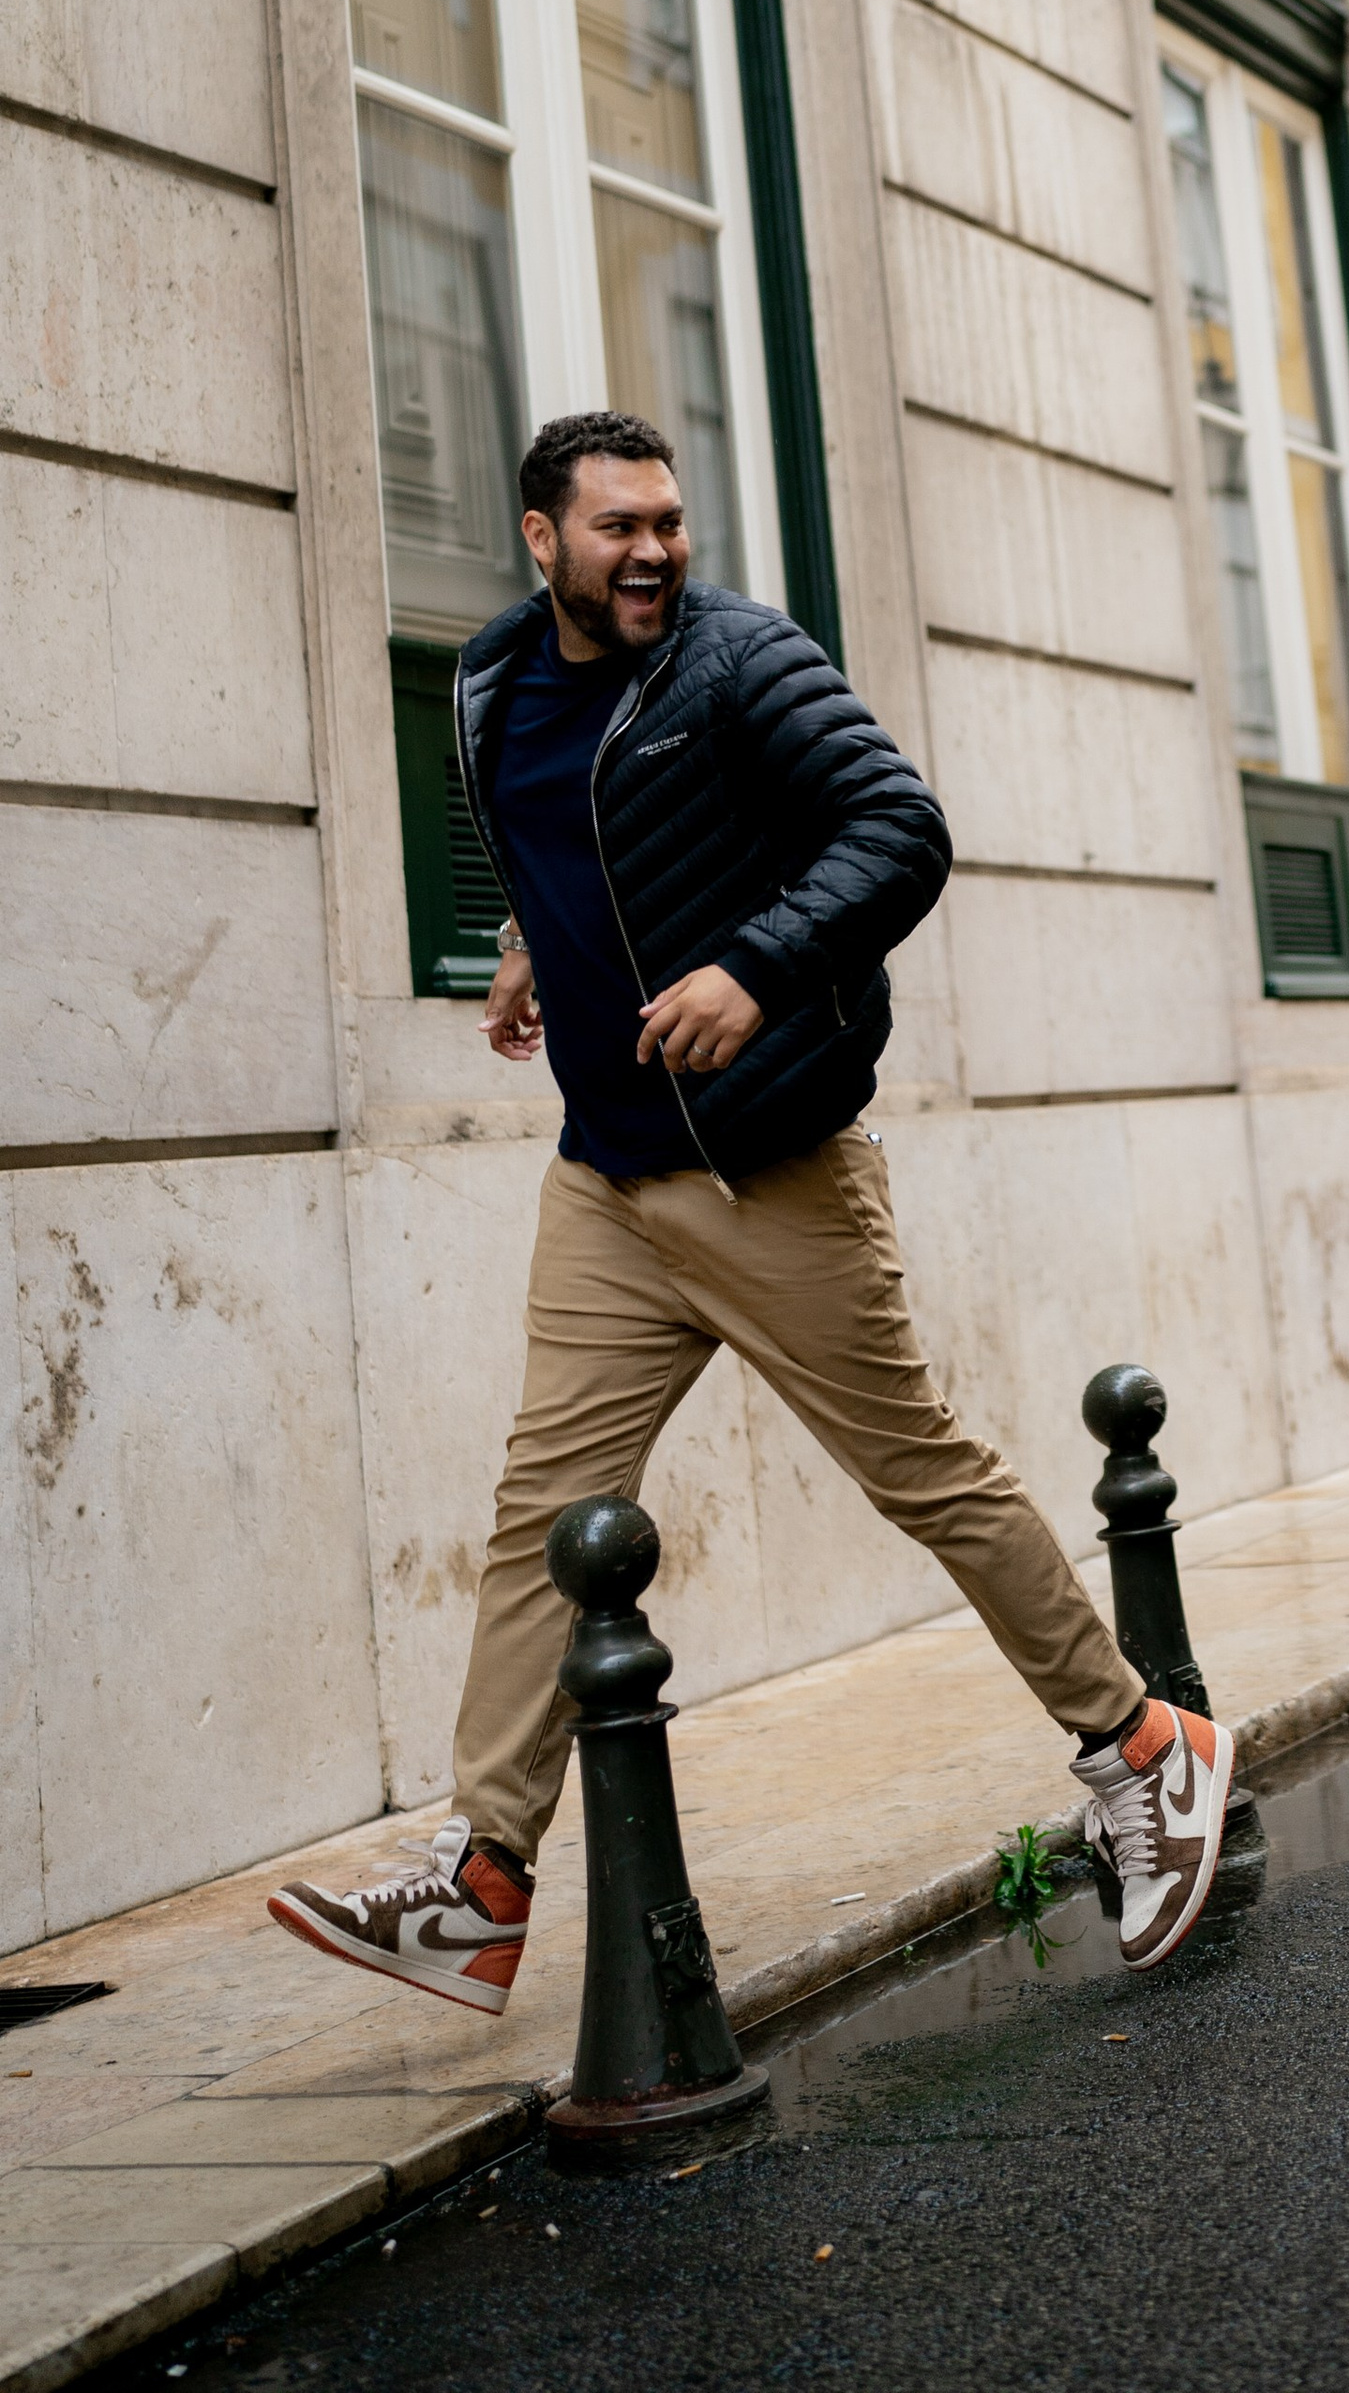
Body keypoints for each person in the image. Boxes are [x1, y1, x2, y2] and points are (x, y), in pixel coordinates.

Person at [270, 413, 1231, 2006]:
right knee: (539, 1518)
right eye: (616, 529)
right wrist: (526, 938)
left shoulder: (739, 659)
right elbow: (555, 828)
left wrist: (754, 966)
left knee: (918, 1470)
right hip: (606, 1182)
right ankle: (485, 1880)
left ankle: (1142, 1745)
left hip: (765, 1169)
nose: (652, 552)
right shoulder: (492, 679)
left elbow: (903, 833)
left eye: (669, 522)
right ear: (539, 539)